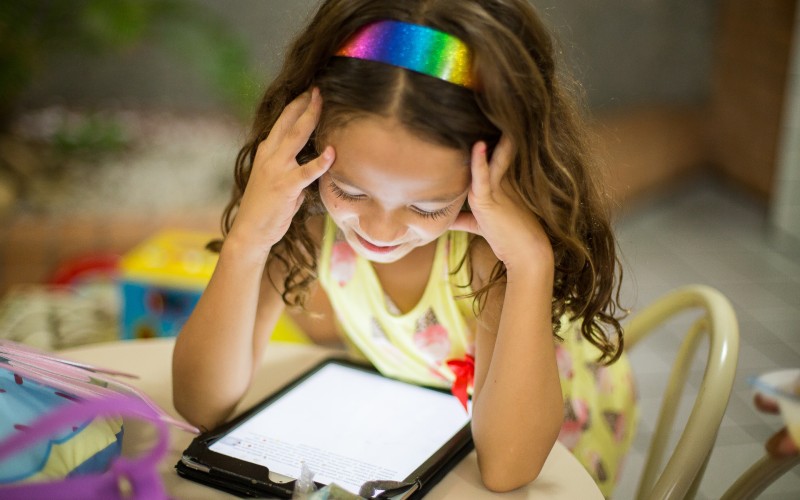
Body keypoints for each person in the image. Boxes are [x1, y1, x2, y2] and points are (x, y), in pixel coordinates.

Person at [172, 0, 638, 494]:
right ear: (308, 146)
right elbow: (201, 405)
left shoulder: (489, 259)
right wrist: (248, 237)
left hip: (556, 440)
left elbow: (508, 470)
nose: (382, 230)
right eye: (350, 191)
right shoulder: (306, 228)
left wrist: (530, 262)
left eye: (427, 208)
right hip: (425, 425)